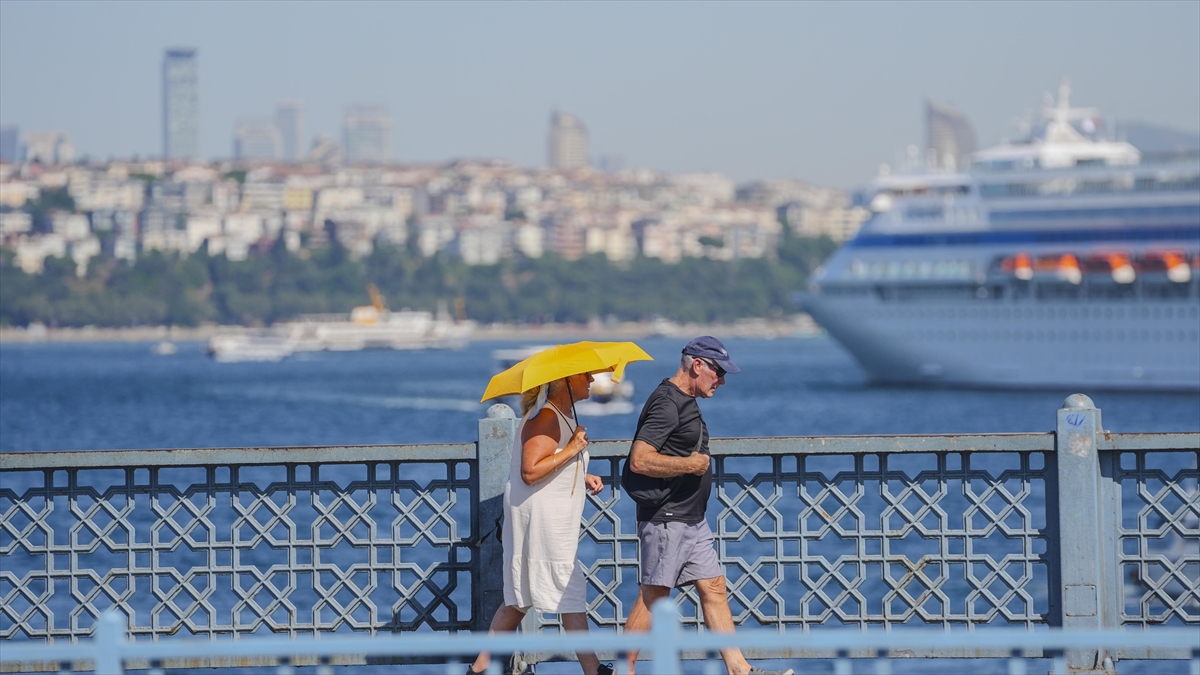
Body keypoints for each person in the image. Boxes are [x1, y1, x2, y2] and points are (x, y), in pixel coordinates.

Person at [621, 337, 794, 675]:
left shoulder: (686, 400)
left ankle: (739, 669)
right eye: (718, 372)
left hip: (691, 517)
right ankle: (622, 670)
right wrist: (689, 466)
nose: (722, 380)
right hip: (667, 518)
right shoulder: (667, 403)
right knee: (654, 595)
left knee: (713, 587)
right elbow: (639, 461)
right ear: (697, 365)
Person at [468, 371, 613, 675]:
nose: (590, 380)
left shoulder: (561, 414)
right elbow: (530, 471)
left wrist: (581, 474)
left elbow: (550, 461)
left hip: (547, 516)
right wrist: (574, 449)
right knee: (565, 588)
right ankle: (594, 670)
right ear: (565, 381)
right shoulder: (546, 417)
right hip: (541, 520)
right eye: (585, 375)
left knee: (520, 597)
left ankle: (478, 670)